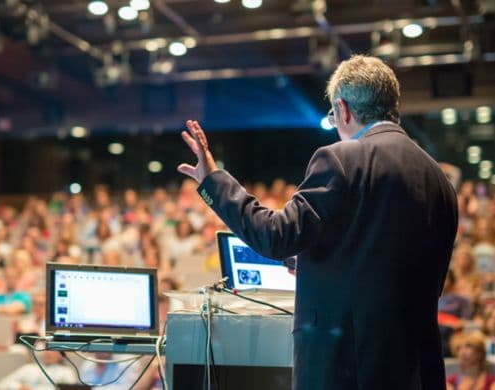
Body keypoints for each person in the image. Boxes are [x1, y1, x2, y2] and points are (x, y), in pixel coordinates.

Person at [177, 55, 458, 389]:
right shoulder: (438, 179)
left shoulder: (342, 157)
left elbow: (274, 236)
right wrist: (312, 262)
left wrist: (213, 180)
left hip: (346, 369)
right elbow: (383, 259)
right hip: (416, 371)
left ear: (343, 109)